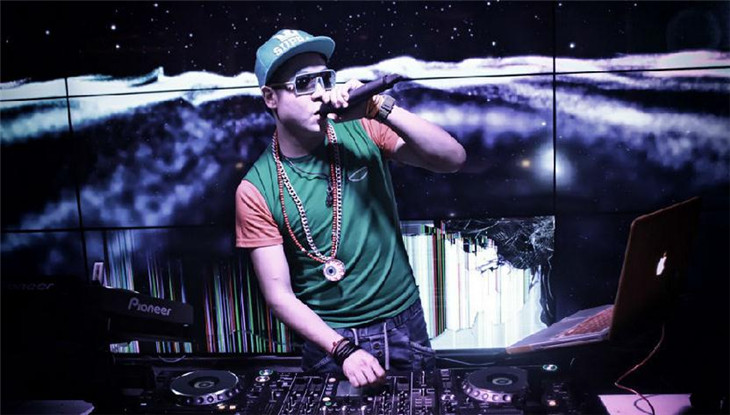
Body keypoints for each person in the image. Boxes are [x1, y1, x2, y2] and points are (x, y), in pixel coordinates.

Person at [235, 29, 466, 388]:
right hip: (328, 340)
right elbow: (278, 296)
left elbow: (452, 158)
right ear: (270, 97)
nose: (319, 92)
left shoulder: (365, 129)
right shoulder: (255, 189)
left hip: (403, 324)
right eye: (303, 83)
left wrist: (380, 108)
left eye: (324, 79)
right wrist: (343, 350)